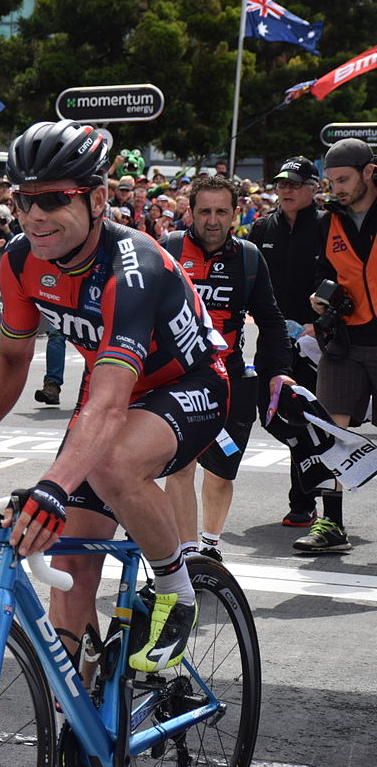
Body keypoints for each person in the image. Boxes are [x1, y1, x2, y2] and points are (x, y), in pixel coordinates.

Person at [0, 121, 229, 673]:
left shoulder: (133, 265)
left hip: (187, 384)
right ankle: (77, 710)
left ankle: (177, 590)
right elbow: (10, 357)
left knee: (113, 464)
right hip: (107, 394)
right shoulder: (21, 259)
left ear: (98, 199)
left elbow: (114, 403)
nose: (34, 215)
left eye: (53, 199)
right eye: (23, 200)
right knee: (66, 577)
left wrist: (53, 484)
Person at [161, 175, 294, 561]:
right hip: (178, 378)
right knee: (181, 467)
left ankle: (210, 545)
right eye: (204, 211)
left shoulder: (249, 257)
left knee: (220, 471)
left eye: (222, 211)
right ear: (191, 212)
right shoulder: (167, 250)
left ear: (236, 214)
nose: (213, 220)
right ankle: (186, 555)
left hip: (231, 379)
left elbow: (270, 320)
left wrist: (278, 373)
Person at [300, 137, 377, 552]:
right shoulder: (326, 220)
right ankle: (331, 525)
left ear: (369, 171)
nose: (337, 188)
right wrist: (318, 297)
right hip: (343, 341)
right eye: (331, 181)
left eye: (344, 179)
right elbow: (320, 272)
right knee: (331, 432)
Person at [247, 155, 329, 527]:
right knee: (271, 415)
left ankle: (303, 502)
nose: (286, 190)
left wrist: (321, 323)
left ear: (314, 188)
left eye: (295, 184)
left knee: (306, 414)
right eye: (282, 184)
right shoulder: (263, 227)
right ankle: (311, 465)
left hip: (319, 340)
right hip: (274, 337)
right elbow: (245, 276)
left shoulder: (329, 225)